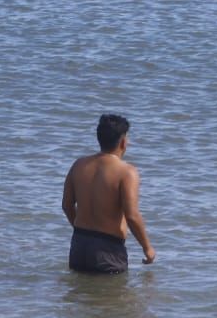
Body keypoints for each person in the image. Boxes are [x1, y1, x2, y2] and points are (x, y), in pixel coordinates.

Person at [63, 113, 156, 274]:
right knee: (112, 297)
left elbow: (66, 205)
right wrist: (147, 248)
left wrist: (84, 234)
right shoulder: (126, 172)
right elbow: (132, 216)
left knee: (80, 296)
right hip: (108, 249)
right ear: (123, 142)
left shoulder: (78, 165)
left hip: (79, 244)